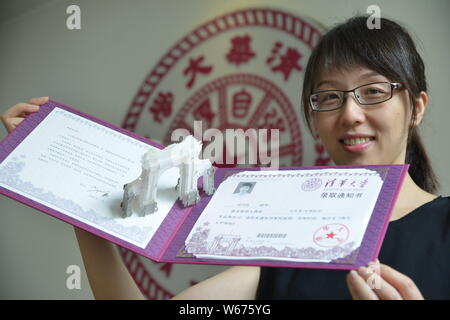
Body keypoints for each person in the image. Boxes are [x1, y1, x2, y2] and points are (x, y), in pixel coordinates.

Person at [1, 15, 449, 300]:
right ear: (313, 119)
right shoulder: (285, 238)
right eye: (328, 98)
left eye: (372, 92)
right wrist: (79, 197)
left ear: (417, 107)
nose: (350, 114)